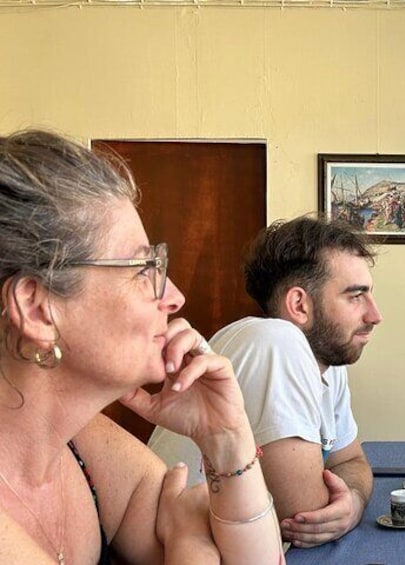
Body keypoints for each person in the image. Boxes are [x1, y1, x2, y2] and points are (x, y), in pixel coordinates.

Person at [0, 130, 283, 563]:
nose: (174, 297)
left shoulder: (81, 446)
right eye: (141, 269)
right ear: (37, 310)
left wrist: (227, 439)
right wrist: (191, 547)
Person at [149, 216, 381, 548]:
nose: (375, 315)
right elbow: (303, 517)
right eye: (355, 296)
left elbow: (351, 461)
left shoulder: (327, 357)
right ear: (300, 305)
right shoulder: (276, 343)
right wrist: (346, 503)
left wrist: (354, 502)